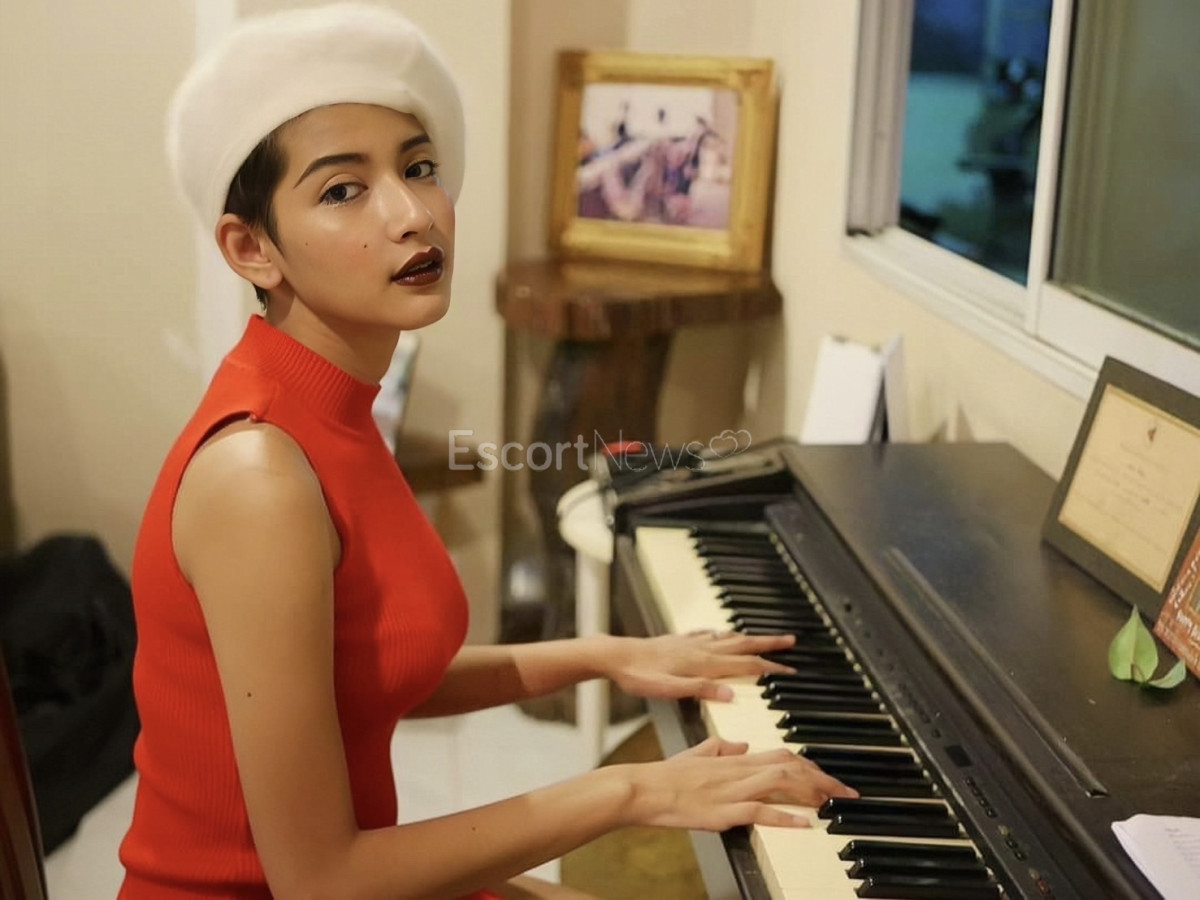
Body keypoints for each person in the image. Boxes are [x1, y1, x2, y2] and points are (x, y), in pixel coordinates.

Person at [117, 4, 856, 898]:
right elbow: (322, 880)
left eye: (419, 168)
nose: (413, 213)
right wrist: (633, 790)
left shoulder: (330, 411)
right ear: (252, 248)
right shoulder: (259, 474)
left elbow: (372, 673)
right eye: (343, 189)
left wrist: (605, 654)